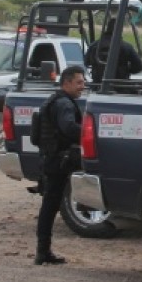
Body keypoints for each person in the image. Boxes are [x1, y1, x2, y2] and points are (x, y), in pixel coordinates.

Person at [34, 65, 85, 265]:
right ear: (67, 83)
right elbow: (69, 128)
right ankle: (42, 251)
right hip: (57, 161)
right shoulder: (64, 104)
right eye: (79, 82)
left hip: (51, 159)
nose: (83, 86)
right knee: (50, 206)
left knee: (50, 205)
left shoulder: (55, 100)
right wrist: (90, 131)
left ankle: (43, 251)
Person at [85, 17, 142, 89]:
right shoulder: (127, 47)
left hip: (97, 86)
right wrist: (126, 69)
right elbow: (139, 66)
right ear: (120, 30)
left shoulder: (93, 45)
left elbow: (86, 62)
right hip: (120, 87)